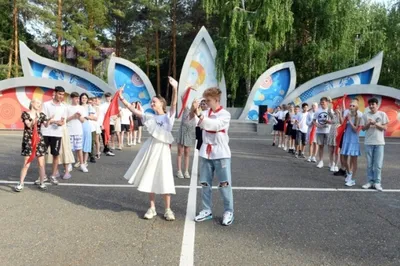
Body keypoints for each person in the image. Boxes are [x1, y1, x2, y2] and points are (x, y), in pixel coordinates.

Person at [119, 77, 178, 221]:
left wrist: (175, 88)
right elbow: (134, 110)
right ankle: (152, 208)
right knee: (150, 176)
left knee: (165, 178)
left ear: (162, 103)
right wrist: (122, 98)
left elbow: (175, 104)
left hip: (163, 150)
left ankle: (168, 209)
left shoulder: (168, 116)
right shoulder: (149, 116)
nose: (152, 103)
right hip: (151, 149)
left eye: (154, 101)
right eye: (151, 102)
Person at [193, 87, 234, 226]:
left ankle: (229, 210)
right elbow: (195, 121)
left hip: (221, 153)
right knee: (204, 183)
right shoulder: (204, 112)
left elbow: (214, 125)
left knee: (224, 184)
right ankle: (206, 209)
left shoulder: (225, 115)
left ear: (216, 100)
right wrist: (193, 108)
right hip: (206, 152)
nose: (206, 103)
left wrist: (200, 116)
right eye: (205, 100)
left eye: (208, 100)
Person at [15, 99, 49, 192]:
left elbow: (46, 125)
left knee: (41, 163)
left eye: (40, 103)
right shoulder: (25, 114)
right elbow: (29, 125)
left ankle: (42, 182)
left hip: (39, 140)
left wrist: (51, 121)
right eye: (37, 103)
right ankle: (21, 183)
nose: (39, 104)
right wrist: (36, 119)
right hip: (28, 140)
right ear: (32, 103)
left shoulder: (42, 115)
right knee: (26, 163)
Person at [361, 98, 389, 191]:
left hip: (379, 143)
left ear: (377, 105)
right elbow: (363, 128)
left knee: (377, 164)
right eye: (370, 104)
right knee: (369, 164)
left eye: (373, 104)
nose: (371, 106)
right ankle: (370, 181)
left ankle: (377, 182)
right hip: (368, 142)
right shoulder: (365, 115)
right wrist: (368, 124)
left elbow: (385, 128)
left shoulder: (382, 114)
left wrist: (375, 124)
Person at [41, 86, 67, 185]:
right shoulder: (46, 105)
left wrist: (60, 123)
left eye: (63, 95)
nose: (61, 96)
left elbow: (63, 121)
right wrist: (53, 121)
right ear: (55, 93)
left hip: (57, 134)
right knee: (41, 155)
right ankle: (42, 175)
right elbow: (43, 120)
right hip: (45, 133)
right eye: (60, 94)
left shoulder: (64, 107)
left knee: (56, 155)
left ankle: (53, 175)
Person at [341, 100, 362, 187]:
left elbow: (356, 129)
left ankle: (352, 179)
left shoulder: (358, 116)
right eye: (350, 105)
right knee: (343, 158)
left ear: (356, 107)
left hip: (354, 139)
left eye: (353, 106)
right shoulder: (347, 114)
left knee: (354, 160)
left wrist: (349, 119)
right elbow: (342, 124)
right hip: (346, 137)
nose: (351, 107)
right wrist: (341, 115)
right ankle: (349, 172)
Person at [176, 104, 197, 179]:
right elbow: (183, 97)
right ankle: (179, 171)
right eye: (194, 105)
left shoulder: (197, 114)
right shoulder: (186, 110)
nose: (195, 106)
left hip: (189, 135)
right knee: (180, 152)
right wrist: (189, 91)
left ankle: (186, 171)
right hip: (182, 133)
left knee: (187, 153)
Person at [66, 92, 85, 172]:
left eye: (78, 98)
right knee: (69, 149)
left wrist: (79, 116)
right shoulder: (67, 108)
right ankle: (69, 164)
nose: (77, 100)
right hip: (69, 131)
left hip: (78, 131)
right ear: (72, 98)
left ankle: (82, 164)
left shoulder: (81, 108)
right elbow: (65, 120)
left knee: (79, 149)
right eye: (76, 98)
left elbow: (83, 120)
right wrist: (73, 116)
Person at [313, 97, 332, 168]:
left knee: (330, 147)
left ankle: (331, 162)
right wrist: (317, 125)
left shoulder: (330, 110)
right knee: (321, 146)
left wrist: (328, 122)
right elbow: (314, 120)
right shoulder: (318, 111)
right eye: (321, 103)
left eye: (323, 102)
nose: (322, 104)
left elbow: (334, 121)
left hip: (328, 131)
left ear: (327, 102)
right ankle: (321, 161)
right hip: (319, 131)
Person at [79, 93, 95, 170]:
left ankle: (85, 162)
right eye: (82, 98)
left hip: (86, 126)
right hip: (78, 126)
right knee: (79, 145)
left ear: (87, 99)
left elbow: (93, 117)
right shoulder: (78, 107)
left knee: (86, 144)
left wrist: (85, 117)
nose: (84, 99)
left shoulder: (89, 107)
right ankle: (79, 161)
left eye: (85, 98)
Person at [327, 105, 342, 172]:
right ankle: (331, 163)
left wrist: (340, 114)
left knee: (337, 151)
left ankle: (336, 165)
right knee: (331, 150)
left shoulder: (341, 115)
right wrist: (330, 104)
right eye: (336, 108)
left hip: (338, 134)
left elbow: (342, 122)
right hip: (331, 133)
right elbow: (329, 112)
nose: (337, 109)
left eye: (338, 108)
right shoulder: (333, 115)